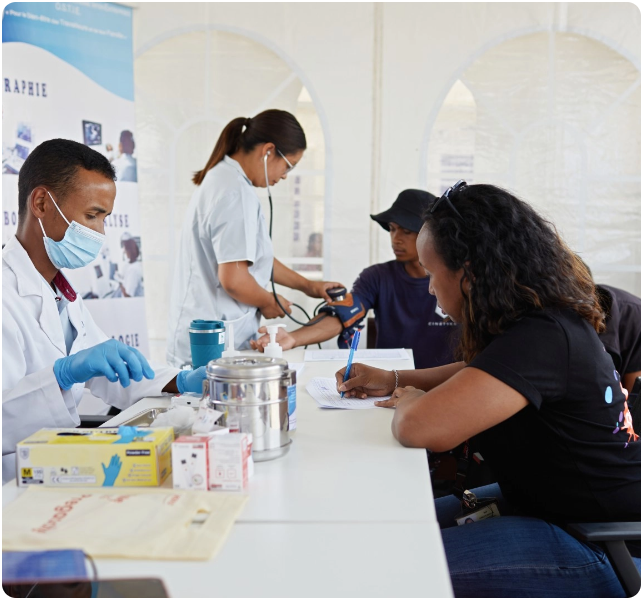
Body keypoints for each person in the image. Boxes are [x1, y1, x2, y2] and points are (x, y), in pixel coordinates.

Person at [335, 181, 640, 597]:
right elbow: (483, 372)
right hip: (542, 506)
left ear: (469, 274)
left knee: (384, 568)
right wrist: (394, 379)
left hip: (596, 540)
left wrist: (413, 400)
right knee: (384, 526)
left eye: (431, 274)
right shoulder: (537, 324)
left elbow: (420, 428)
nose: (428, 288)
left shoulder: (544, 336)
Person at [2, 139, 207, 483]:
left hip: (53, 466)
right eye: (91, 215)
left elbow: (114, 373)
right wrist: (62, 374)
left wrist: (181, 380)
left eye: (104, 218)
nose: (99, 232)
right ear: (40, 202)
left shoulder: (61, 292)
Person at [167, 110, 342, 367]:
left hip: (210, 337)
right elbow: (235, 280)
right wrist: (269, 301)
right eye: (288, 166)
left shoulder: (226, 181)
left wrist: (309, 286)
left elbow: (256, 259)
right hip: (211, 345)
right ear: (268, 151)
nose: (284, 176)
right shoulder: (234, 193)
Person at [252, 189, 458, 369]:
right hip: (391, 383)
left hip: (447, 387)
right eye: (393, 229)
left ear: (428, 234)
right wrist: (292, 338)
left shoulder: (455, 279)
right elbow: (345, 313)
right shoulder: (377, 276)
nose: (396, 238)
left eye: (406, 231)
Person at [115, 232, 144, 297]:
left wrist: (120, 283)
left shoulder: (133, 270)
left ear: (129, 250)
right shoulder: (134, 265)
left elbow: (127, 295)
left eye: (125, 248)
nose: (124, 251)